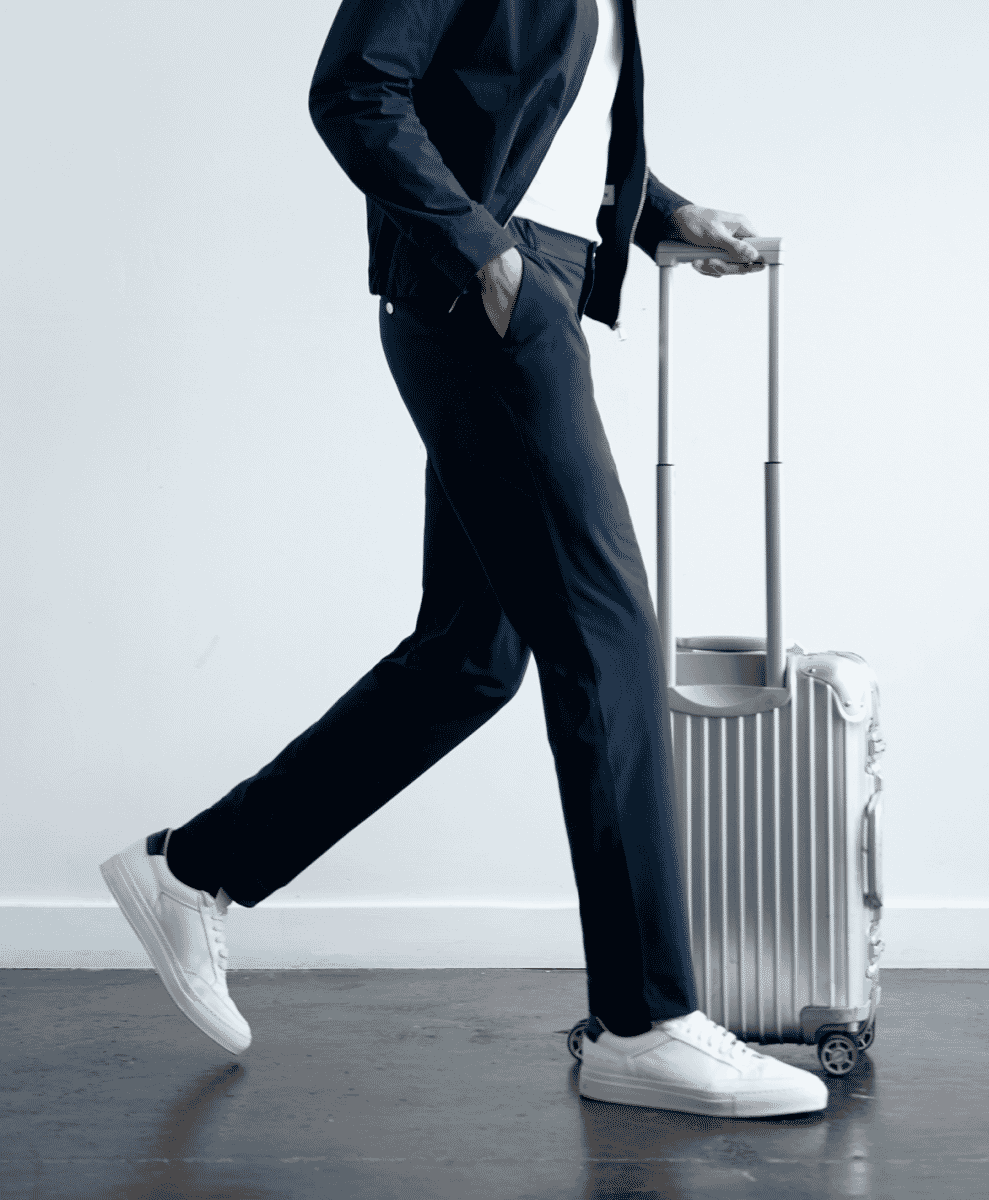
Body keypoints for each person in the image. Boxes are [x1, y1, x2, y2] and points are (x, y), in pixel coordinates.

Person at [100, 0, 829, 1119]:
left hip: (524, 282)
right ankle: (644, 1022)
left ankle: (193, 870)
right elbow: (354, 88)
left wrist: (658, 214)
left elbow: (525, 109)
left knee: (470, 657)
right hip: (481, 296)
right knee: (607, 634)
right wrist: (483, 254)